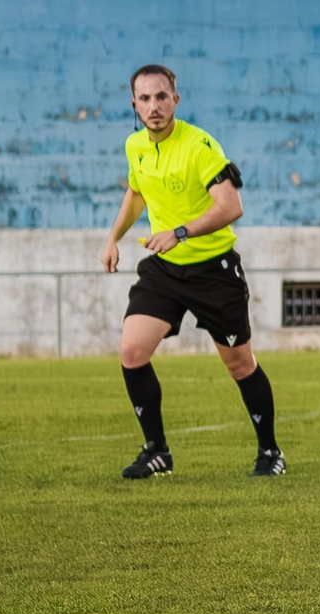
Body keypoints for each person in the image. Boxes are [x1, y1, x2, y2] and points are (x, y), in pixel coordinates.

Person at [100, 64, 284, 479]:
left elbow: (231, 207)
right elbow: (136, 192)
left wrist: (180, 232)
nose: (154, 106)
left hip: (214, 272)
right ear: (134, 105)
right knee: (132, 351)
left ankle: (270, 452)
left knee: (240, 365)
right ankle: (156, 451)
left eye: (161, 97)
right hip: (165, 269)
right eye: (144, 99)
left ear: (175, 101)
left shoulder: (200, 146)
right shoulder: (135, 146)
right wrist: (111, 238)